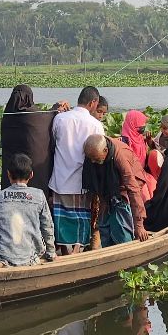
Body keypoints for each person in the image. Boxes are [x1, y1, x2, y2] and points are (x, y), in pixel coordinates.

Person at [48, 86, 105, 255]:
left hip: (60, 178)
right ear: (93, 102)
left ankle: (65, 252)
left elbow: (52, 141)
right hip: (82, 180)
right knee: (81, 217)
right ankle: (77, 252)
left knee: (62, 217)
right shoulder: (96, 124)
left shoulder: (60, 119)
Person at [0, 154, 56, 266]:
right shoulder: (39, 195)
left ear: (8, 174)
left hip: (0, 255)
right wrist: (51, 252)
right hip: (30, 255)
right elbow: (47, 226)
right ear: (31, 175)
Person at [0, 84, 68, 198]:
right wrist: (56, 109)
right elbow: (46, 116)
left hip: (11, 173)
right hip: (34, 173)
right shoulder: (35, 117)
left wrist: (55, 108)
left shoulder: (7, 117)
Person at [82, 134, 149, 246]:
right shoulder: (93, 153)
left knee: (121, 227)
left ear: (106, 150)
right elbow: (96, 184)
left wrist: (139, 226)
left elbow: (133, 189)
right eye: (91, 159)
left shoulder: (120, 157)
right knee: (105, 228)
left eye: (97, 159)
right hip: (107, 188)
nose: (93, 162)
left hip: (125, 189)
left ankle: (125, 250)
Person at [120, 110, 160, 200]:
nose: (143, 127)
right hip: (131, 176)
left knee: (154, 187)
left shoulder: (140, 138)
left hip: (143, 173)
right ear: (133, 124)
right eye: (141, 125)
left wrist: (149, 140)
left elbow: (154, 149)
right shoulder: (124, 141)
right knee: (144, 195)